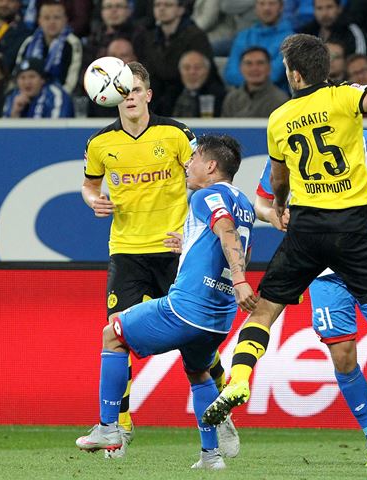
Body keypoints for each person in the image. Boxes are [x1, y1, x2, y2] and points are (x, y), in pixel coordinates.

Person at [203, 24, 367, 462]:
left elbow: (278, 182)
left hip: (306, 227)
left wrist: (283, 207)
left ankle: (240, 378)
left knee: (265, 311)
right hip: (354, 229)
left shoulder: (280, 117)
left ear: (295, 75)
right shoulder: (345, 98)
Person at [81, 61, 239, 460]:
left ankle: (220, 414)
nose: (130, 96)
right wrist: (93, 201)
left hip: (173, 253)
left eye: (136, 89)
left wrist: (188, 236)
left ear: (148, 94)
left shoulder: (176, 133)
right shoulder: (100, 143)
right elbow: (89, 184)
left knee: (195, 350)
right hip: (127, 251)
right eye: (123, 90)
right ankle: (119, 427)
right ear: (113, 96)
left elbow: (206, 178)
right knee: (118, 336)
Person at [254, 130, 367, 465]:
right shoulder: (292, 138)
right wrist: (273, 214)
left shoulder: (365, 138)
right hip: (321, 272)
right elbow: (261, 200)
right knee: (343, 356)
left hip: (361, 262)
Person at [133, 0, 215, 115]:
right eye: (157, 5)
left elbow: (203, 71)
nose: (161, 9)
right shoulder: (147, 37)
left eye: (168, 5)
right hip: (156, 95)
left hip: (187, 94)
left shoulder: (196, 36)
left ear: (181, 10)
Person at [224, 0, 294, 91]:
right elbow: (230, 74)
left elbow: (275, 75)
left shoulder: (290, 40)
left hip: (276, 99)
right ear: (255, 8)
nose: (266, 8)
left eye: (271, 3)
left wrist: (249, 79)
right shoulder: (244, 35)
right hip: (243, 97)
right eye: (262, 3)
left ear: (281, 7)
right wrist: (254, 80)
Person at [15, 0, 83, 93]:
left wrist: (59, 97)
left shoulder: (72, 43)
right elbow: (18, 72)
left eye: (57, 17)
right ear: (39, 20)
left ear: (65, 20)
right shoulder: (29, 42)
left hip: (61, 96)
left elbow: (72, 79)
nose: (52, 22)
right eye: (47, 18)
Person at [221, 46, 289, 117]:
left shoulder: (280, 101)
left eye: (260, 63)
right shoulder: (231, 99)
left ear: (269, 68)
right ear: (241, 68)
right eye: (249, 63)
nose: (254, 68)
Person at [2, 57, 74, 117]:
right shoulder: (12, 96)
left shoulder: (55, 95)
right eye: (22, 78)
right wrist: (15, 112)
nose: (27, 82)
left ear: (42, 79)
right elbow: (3, 131)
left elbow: (58, 128)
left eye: (32, 77)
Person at [298, 0, 367, 57]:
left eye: (329, 7)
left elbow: (360, 60)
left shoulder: (351, 30)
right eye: (319, 8)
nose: (324, 13)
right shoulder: (308, 33)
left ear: (339, 8)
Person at [172, 50, 227, 118]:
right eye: (187, 68)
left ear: (207, 71)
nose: (192, 72)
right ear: (180, 71)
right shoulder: (170, 95)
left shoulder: (220, 96)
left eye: (197, 68)